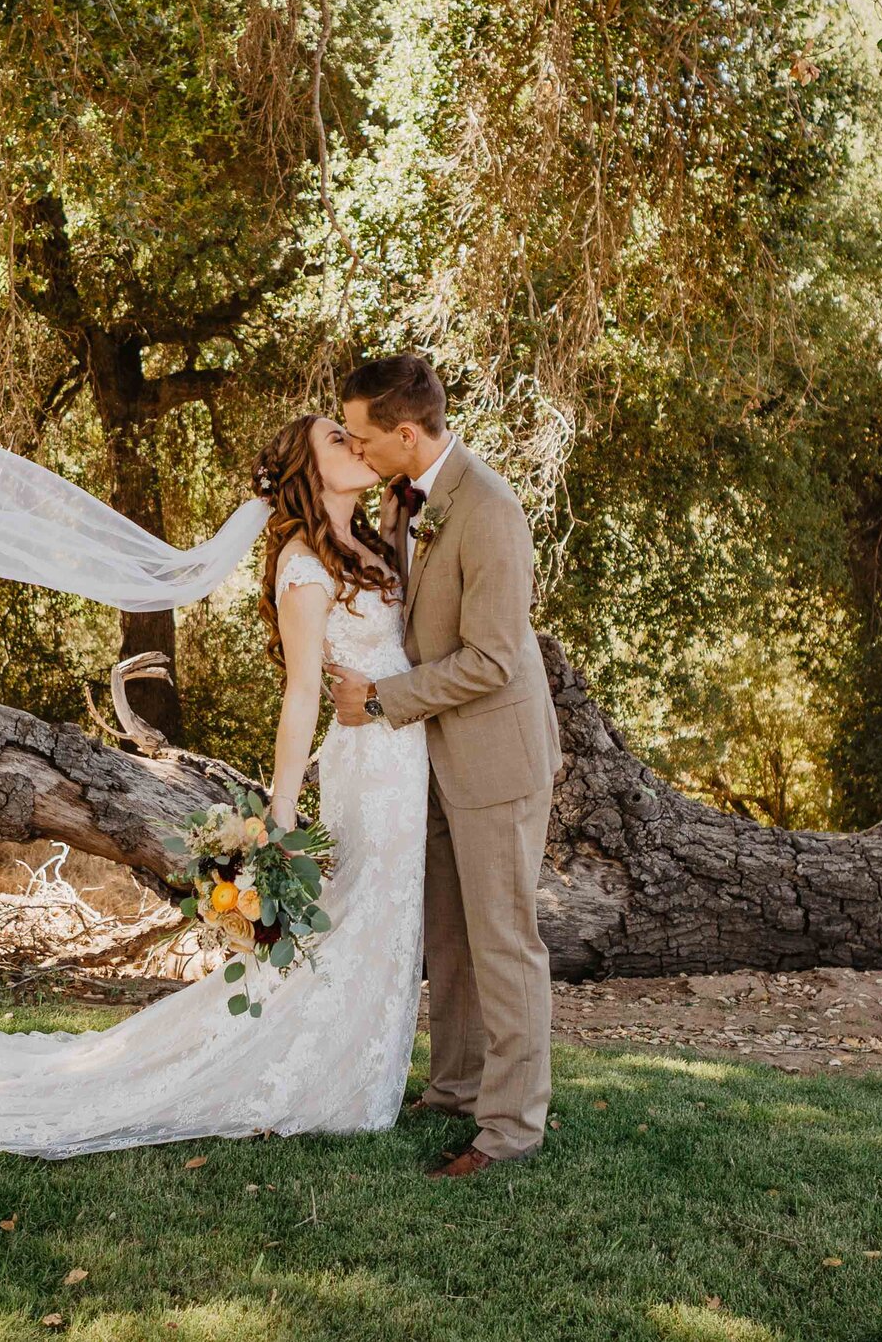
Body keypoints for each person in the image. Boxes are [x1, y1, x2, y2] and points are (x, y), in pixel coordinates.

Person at [0, 411, 438, 1157]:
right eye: (337, 442)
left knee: (382, 913)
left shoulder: (376, 539)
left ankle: (352, 1066)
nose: (356, 445)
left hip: (407, 759)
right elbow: (302, 695)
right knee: (358, 910)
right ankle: (314, 1074)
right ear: (309, 474)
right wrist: (278, 814)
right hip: (368, 765)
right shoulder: (303, 566)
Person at [326, 352, 562, 1178]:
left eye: (361, 437)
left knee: (503, 941)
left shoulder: (491, 509)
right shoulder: (405, 499)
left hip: (494, 756)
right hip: (431, 755)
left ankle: (511, 1128)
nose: (355, 450)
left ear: (404, 432)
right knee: (451, 938)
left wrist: (383, 699)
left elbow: (494, 658)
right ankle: (458, 1086)